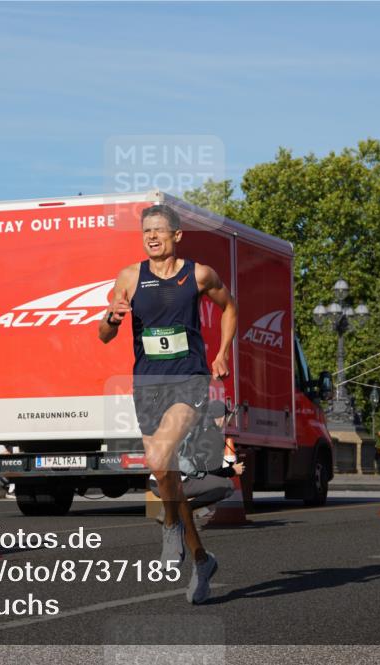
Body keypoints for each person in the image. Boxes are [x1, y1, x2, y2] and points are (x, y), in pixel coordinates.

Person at [99, 203, 237, 605]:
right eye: (146, 232)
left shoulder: (198, 274)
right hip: (147, 385)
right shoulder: (129, 277)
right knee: (166, 474)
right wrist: (112, 315)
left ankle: (169, 526)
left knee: (160, 458)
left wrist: (224, 352)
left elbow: (229, 307)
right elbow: (105, 334)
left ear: (177, 235)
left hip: (189, 379)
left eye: (160, 231)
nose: (152, 237)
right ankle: (201, 558)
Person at [149, 400, 245, 523]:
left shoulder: (193, 431)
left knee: (197, 479)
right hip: (174, 483)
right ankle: (181, 509)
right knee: (227, 486)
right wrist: (232, 471)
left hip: (155, 483)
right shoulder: (213, 437)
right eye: (227, 417)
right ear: (221, 418)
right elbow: (210, 471)